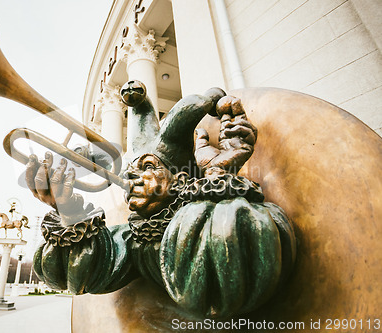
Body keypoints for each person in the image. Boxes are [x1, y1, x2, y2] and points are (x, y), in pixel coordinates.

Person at [27, 81, 296, 318]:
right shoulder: (134, 240)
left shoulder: (218, 211)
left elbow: (233, 266)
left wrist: (218, 175)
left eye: (147, 167)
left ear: (179, 181)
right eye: (130, 173)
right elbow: (79, 274)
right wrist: (68, 212)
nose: (132, 179)